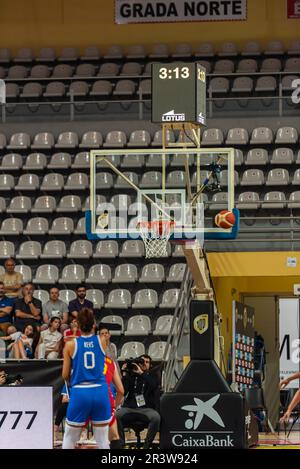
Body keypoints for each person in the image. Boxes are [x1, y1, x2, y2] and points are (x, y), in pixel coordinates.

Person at [62, 308, 111, 449]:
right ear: (94, 324)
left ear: (77, 324)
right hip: (100, 391)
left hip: (80, 391)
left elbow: (65, 375)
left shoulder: (70, 345)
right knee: (102, 440)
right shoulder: (102, 340)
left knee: (70, 438)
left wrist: (74, 381)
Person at [116, 354, 161, 449]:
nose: (144, 363)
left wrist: (142, 373)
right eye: (142, 361)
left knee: (156, 417)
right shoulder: (132, 375)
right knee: (116, 416)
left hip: (146, 409)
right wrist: (124, 374)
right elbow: (123, 391)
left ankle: (146, 446)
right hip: (129, 408)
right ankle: (121, 445)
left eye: (147, 362)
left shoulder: (153, 375)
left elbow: (153, 386)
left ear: (150, 365)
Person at [104, 355, 124, 449]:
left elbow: (66, 376)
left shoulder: (78, 358)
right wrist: (114, 407)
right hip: (104, 399)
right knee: (114, 437)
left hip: (82, 396)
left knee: (72, 436)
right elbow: (121, 391)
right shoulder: (109, 361)